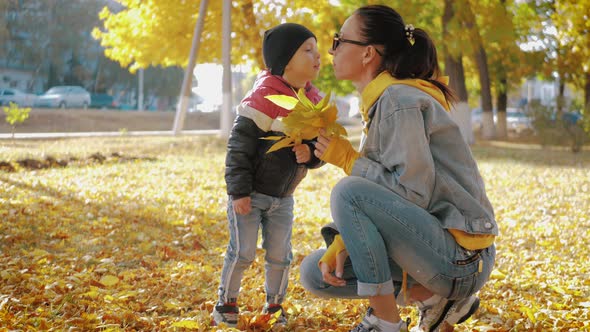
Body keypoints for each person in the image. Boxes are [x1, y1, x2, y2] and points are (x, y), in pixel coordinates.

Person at [299, 5, 498, 332]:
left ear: (367, 54)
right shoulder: (382, 103)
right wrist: (345, 241)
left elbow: (413, 194)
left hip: (463, 259)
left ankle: (384, 322)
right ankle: (431, 297)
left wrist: (350, 160)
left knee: (348, 191)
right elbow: (387, 203)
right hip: (434, 248)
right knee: (314, 273)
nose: (331, 50)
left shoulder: (399, 100)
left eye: (339, 40)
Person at [212, 23, 324, 328]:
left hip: (283, 199)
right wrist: (239, 192)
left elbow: (321, 147)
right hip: (250, 194)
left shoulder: (312, 101)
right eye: (308, 50)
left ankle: (274, 305)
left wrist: (312, 155)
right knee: (243, 252)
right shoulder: (264, 98)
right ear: (286, 59)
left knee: (280, 255)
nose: (318, 56)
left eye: (317, 49)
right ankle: (226, 302)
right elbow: (239, 149)